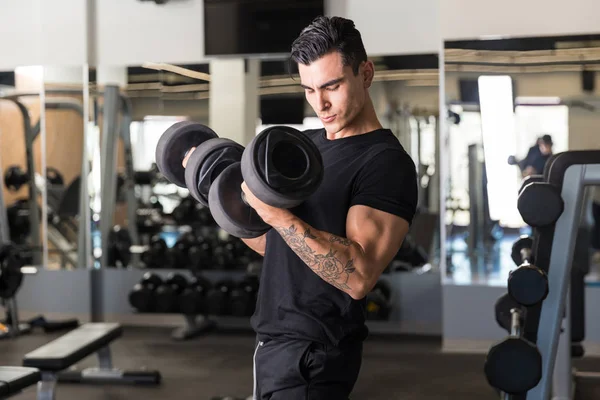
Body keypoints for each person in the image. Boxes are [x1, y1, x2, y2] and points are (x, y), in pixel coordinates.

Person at [185, 16, 417, 400]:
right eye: (309, 89)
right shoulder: (305, 146)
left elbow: (358, 277)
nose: (320, 103)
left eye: (332, 86)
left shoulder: (385, 163)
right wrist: (212, 188)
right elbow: (276, 245)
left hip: (315, 352)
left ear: (366, 73)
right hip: (273, 341)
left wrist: (276, 213)